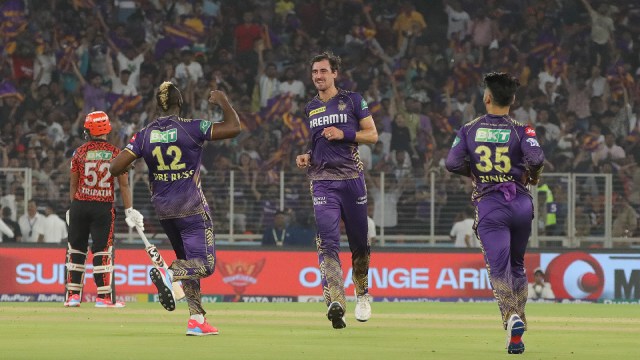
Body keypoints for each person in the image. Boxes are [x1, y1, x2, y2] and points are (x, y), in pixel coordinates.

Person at [110, 82, 242, 336]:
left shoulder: (144, 134)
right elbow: (234, 128)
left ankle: (196, 320)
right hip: (191, 207)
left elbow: (115, 167)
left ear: (157, 105)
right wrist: (224, 101)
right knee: (205, 264)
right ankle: (168, 274)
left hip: (164, 210)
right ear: (180, 103)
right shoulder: (192, 127)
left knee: (188, 263)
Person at [445, 72, 544, 354]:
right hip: (522, 204)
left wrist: (474, 172)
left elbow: (451, 163)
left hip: (490, 205)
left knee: (498, 269)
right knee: (518, 266)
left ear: (486, 97)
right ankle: (517, 337)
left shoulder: (469, 129)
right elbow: (536, 158)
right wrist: (532, 175)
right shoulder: (522, 129)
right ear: (512, 100)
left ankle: (511, 316)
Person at [295, 51, 379, 329]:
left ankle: (363, 293)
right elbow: (318, 142)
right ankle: (336, 301)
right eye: (314, 72)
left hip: (352, 179)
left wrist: (345, 134)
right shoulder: (310, 108)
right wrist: (308, 154)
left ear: (334, 73)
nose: (318, 76)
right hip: (321, 181)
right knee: (327, 242)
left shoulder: (353, 100)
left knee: (359, 243)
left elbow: (373, 135)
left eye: (323, 71)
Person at [64, 111, 140, 309]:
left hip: (80, 205)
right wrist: (129, 209)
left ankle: (72, 297)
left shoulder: (79, 152)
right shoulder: (116, 153)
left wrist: (73, 206)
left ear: (89, 130)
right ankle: (103, 298)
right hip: (103, 207)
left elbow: (73, 184)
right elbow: (124, 185)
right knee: (102, 251)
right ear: (107, 129)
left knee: (76, 249)